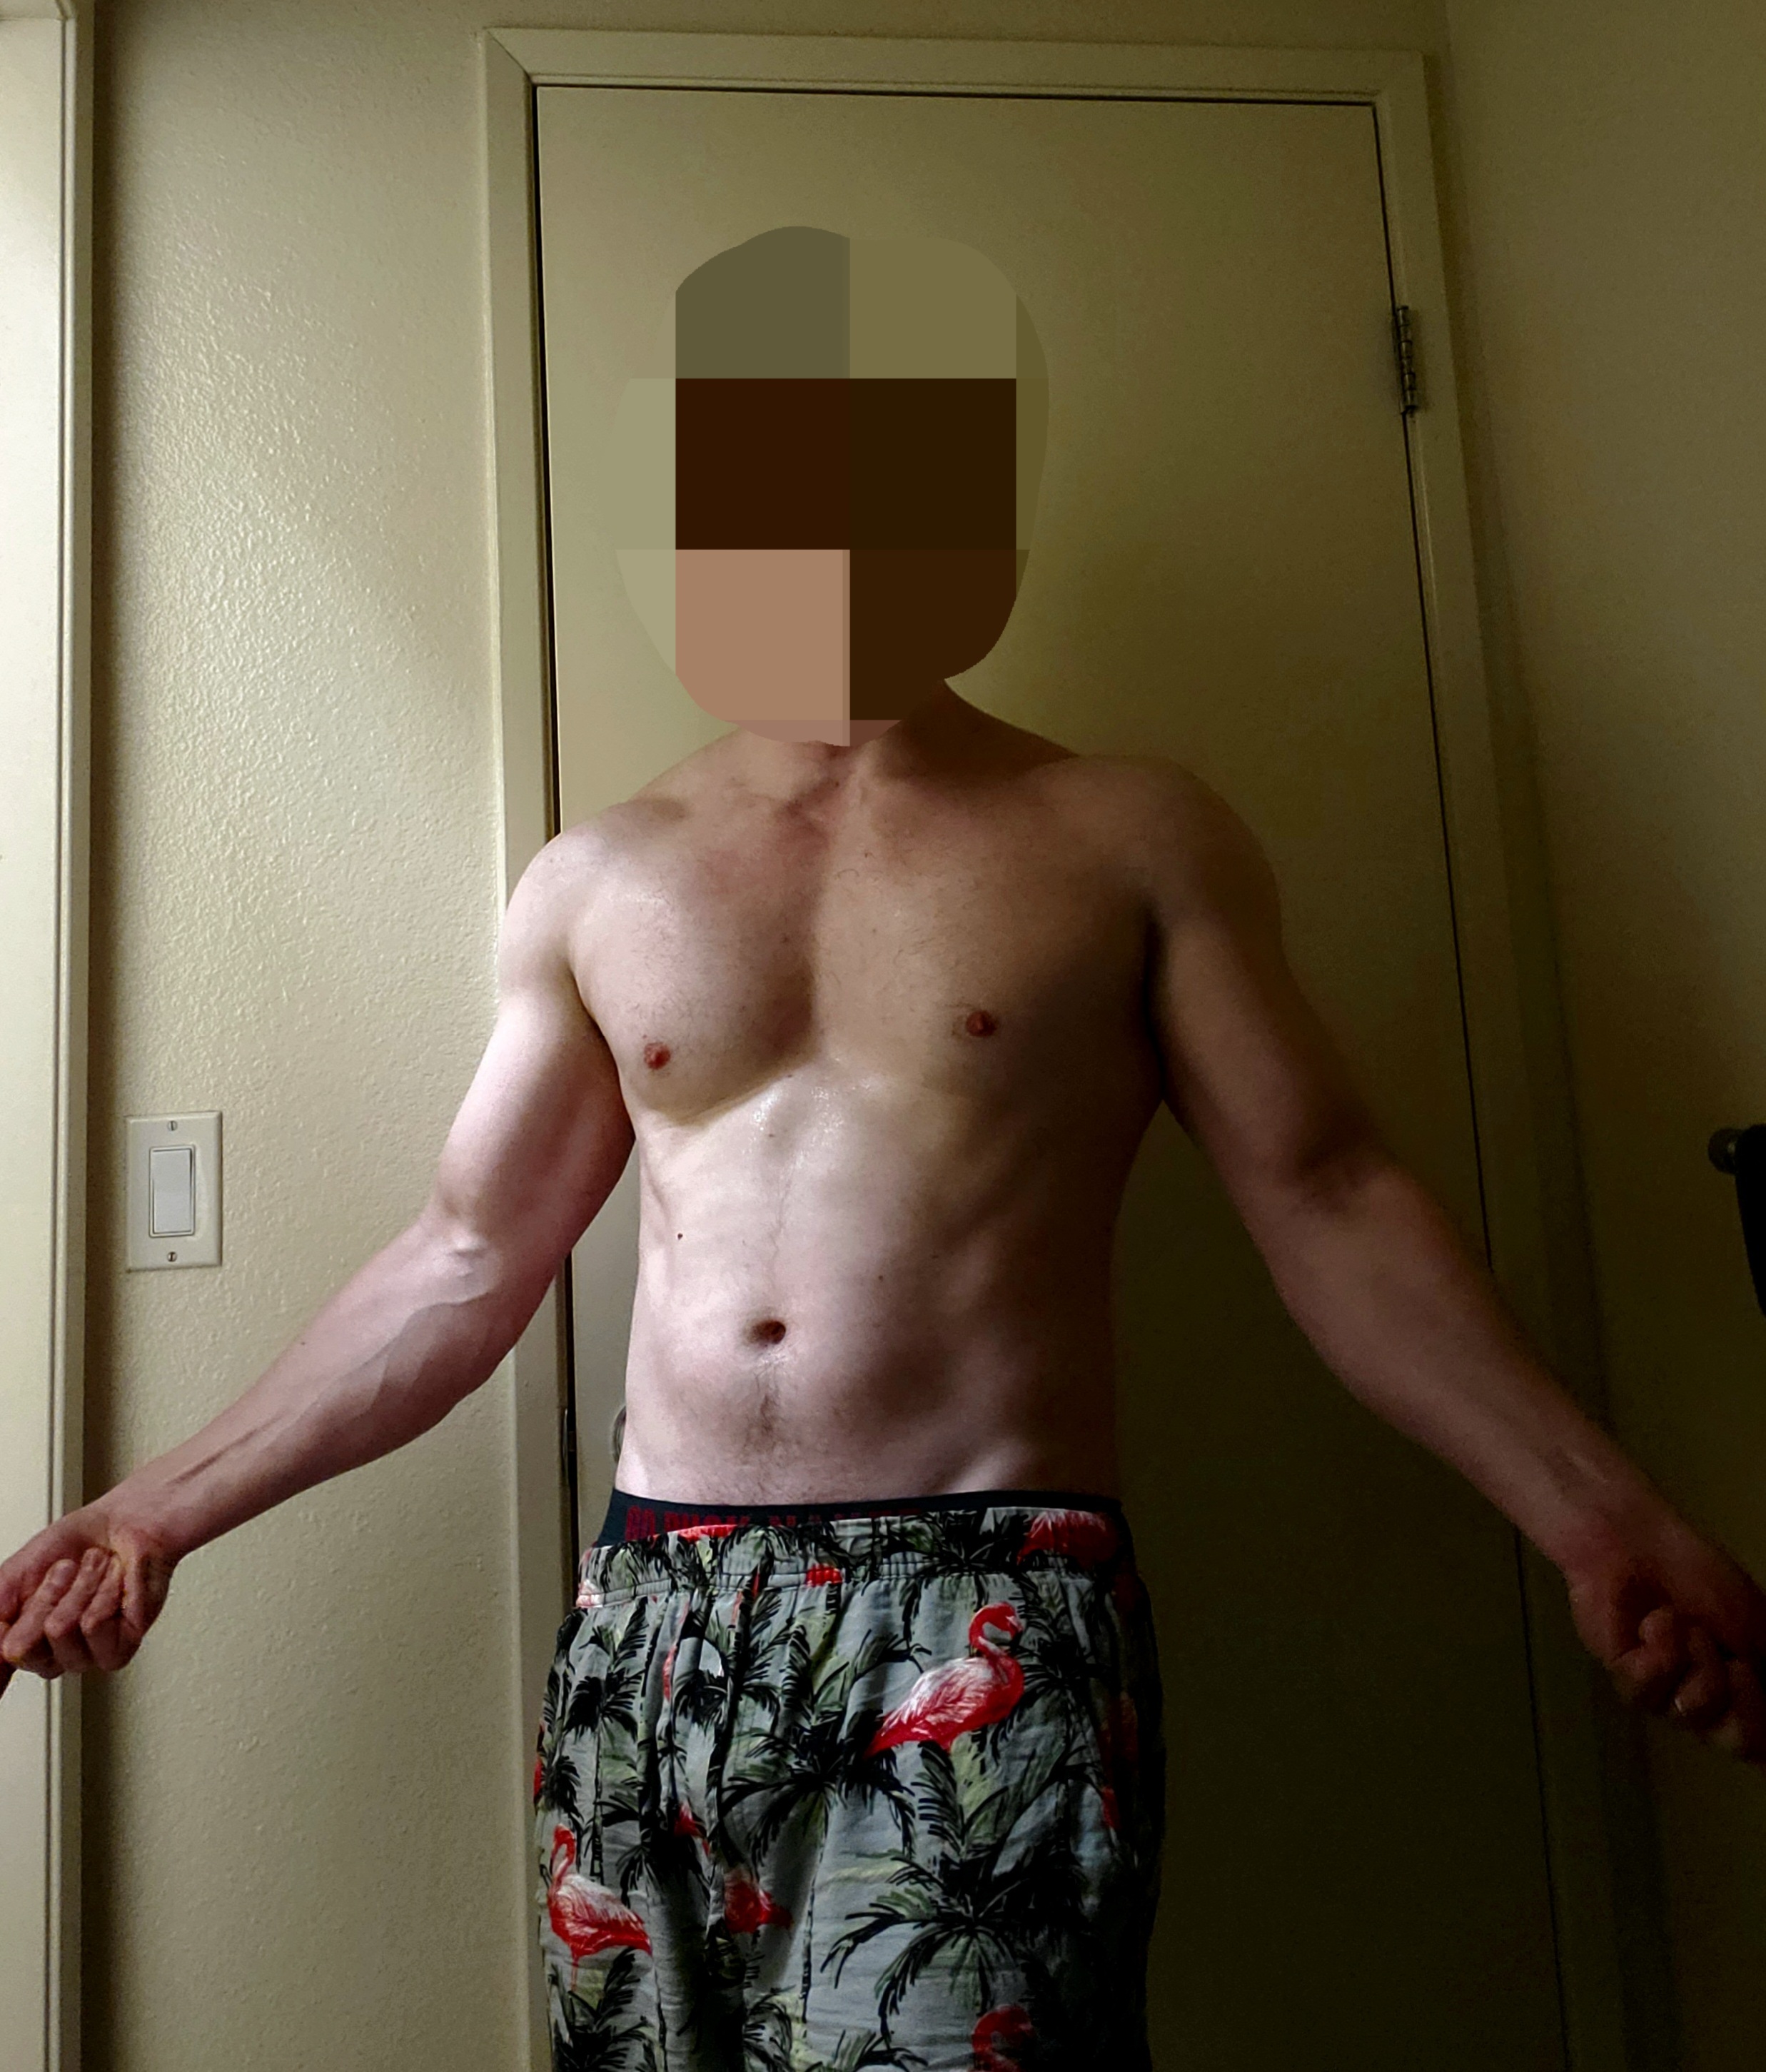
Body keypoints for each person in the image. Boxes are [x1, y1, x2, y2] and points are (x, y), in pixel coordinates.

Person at [4, 229, 1762, 2071]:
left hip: (985, 1604)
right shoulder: (603, 875)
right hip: (658, 1615)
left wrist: (1601, 1518)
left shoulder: (1126, 837)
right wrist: (153, 1510)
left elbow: (1330, 1201)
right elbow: (462, 1258)